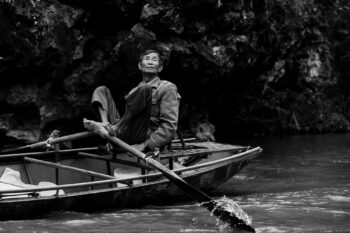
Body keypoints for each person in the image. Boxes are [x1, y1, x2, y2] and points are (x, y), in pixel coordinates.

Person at [83, 49, 180, 152]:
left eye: (154, 60)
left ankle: (115, 129)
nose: (150, 62)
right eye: (147, 59)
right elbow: (129, 117)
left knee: (145, 89)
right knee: (101, 90)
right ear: (139, 66)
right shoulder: (134, 90)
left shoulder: (167, 88)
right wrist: (110, 138)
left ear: (160, 68)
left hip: (145, 134)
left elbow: (169, 126)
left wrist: (145, 145)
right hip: (127, 129)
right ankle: (106, 126)